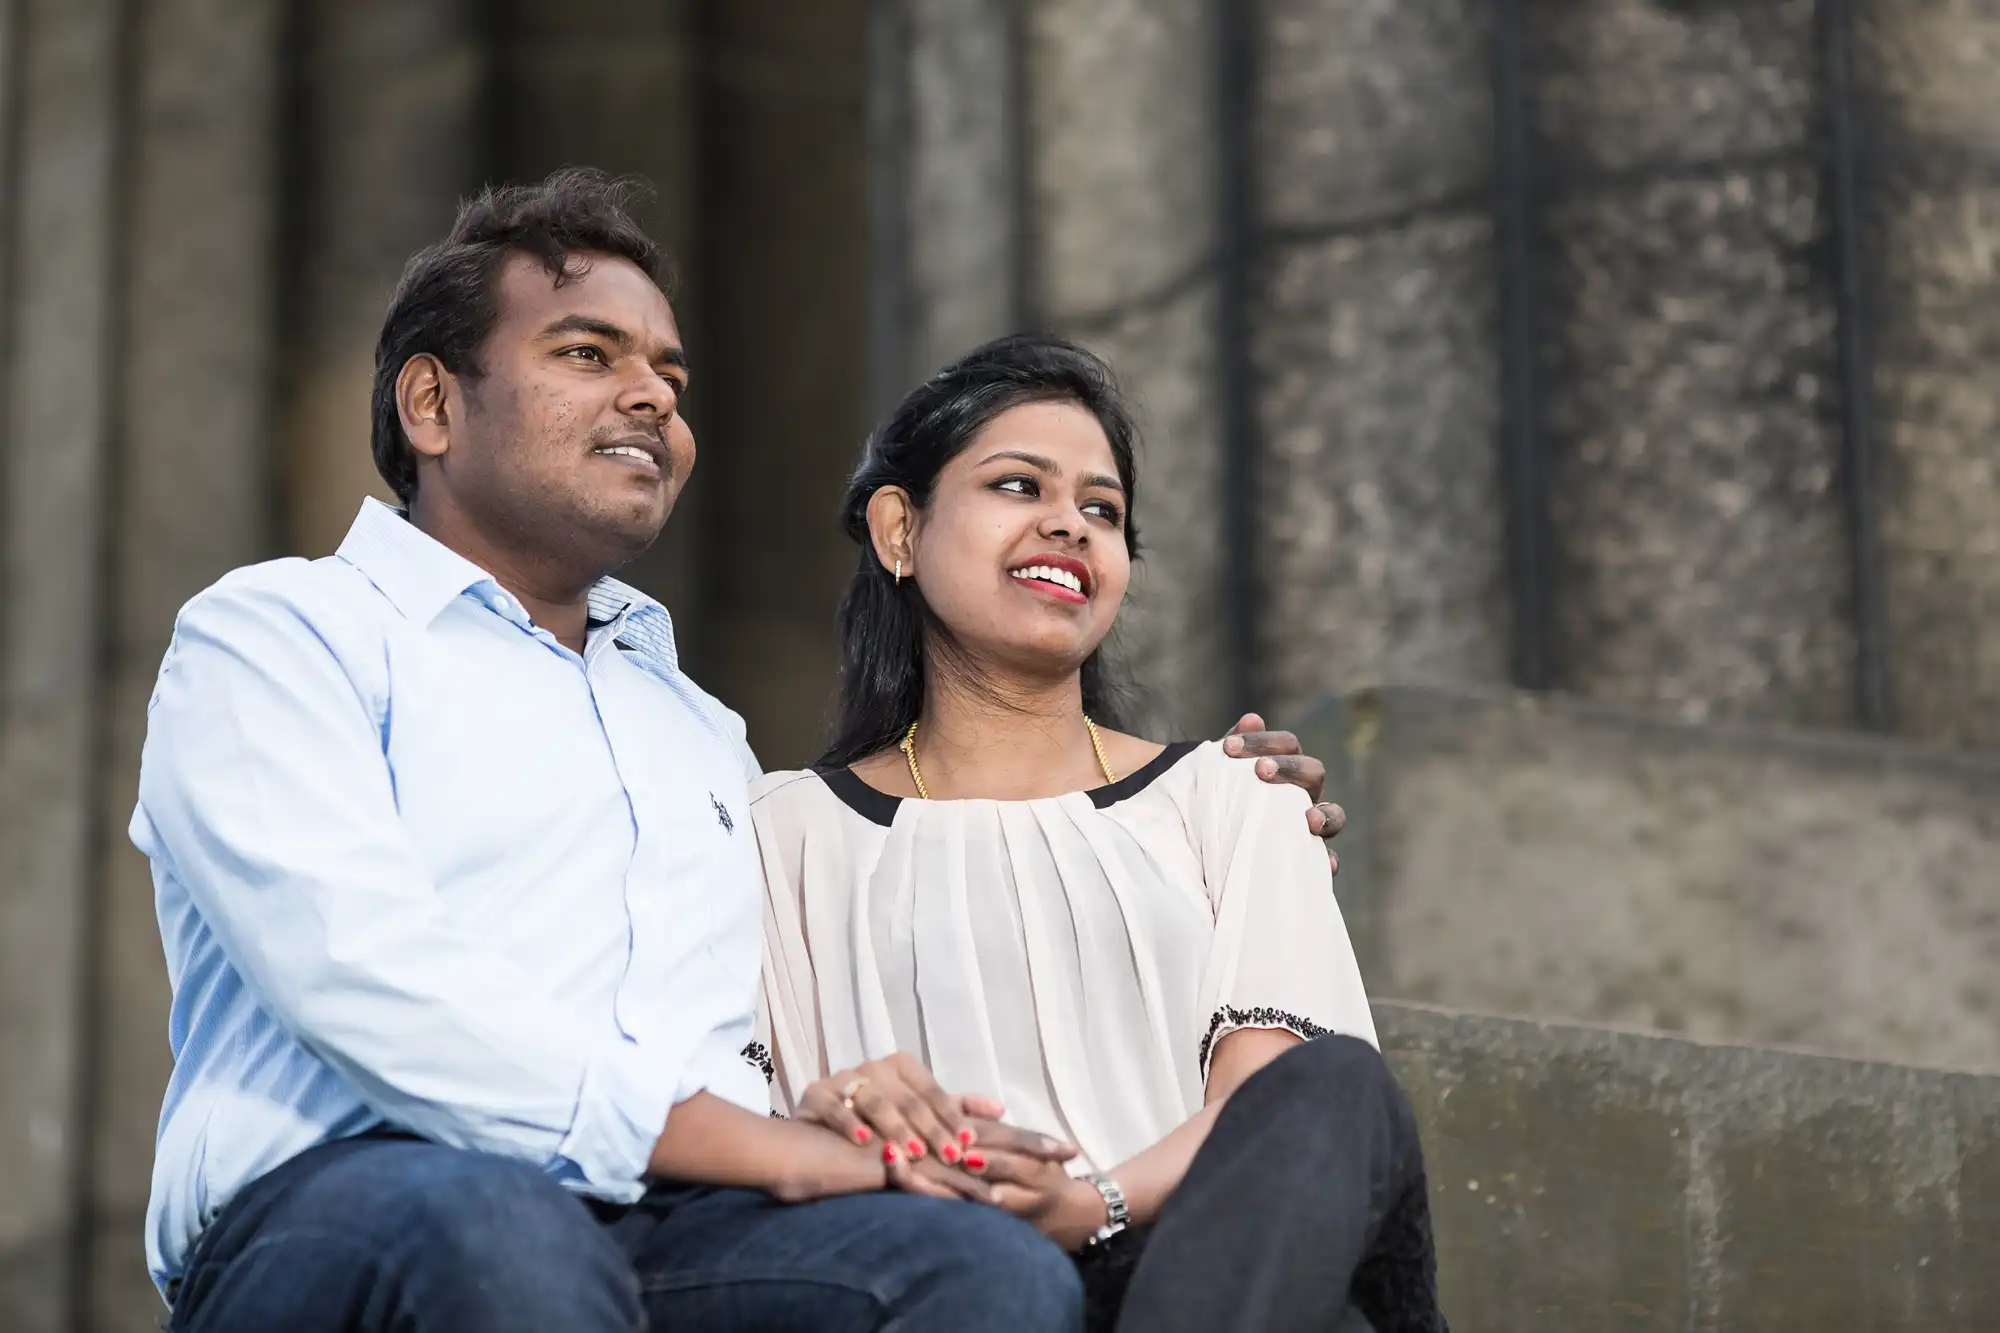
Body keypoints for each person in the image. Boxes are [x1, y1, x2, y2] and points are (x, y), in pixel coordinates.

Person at [133, 170, 1347, 1333]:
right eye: (587, 354)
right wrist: (760, 1143)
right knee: (506, 1230)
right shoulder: (280, 635)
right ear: (433, 404)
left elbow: (745, 1033)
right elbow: (363, 973)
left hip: (664, 1236)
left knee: (974, 1273)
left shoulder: (699, 737)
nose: (654, 397)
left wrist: (827, 1111)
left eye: (669, 373)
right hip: (343, 1209)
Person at [751, 334, 1449, 1332]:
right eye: (1016, 484)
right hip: (941, 1281)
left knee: (1331, 1082)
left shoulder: (1233, 793)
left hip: (1217, 1265)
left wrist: (1085, 1204)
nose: (1066, 526)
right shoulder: (782, 831)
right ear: (898, 529)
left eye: (1101, 509)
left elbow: (1275, 1111)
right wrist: (845, 1104)